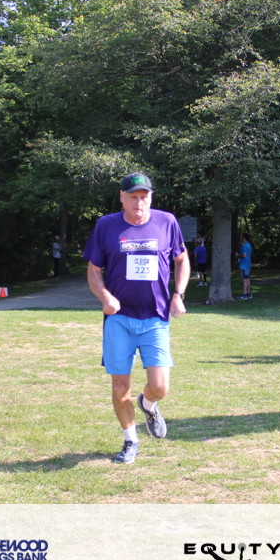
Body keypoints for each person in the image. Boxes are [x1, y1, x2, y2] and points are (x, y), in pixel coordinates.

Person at [84, 172, 189, 465]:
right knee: (120, 386)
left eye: (144, 196)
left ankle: (148, 403)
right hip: (119, 319)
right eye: (133, 197)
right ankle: (131, 440)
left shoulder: (166, 222)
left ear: (151, 197)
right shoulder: (106, 225)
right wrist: (105, 296)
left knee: (161, 387)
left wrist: (178, 294)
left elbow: (182, 259)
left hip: (155, 317)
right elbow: (93, 270)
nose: (138, 202)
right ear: (122, 197)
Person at [236, 232, 253, 299]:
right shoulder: (249, 245)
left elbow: (244, 255)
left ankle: (244, 294)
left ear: (244, 238)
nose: (241, 238)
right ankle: (248, 293)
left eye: (241, 237)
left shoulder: (245, 246)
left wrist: (238, 255)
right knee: (247, 279)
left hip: (244, 265)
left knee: (244, 279)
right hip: (248, 265)